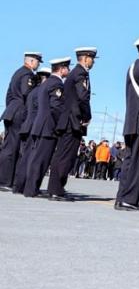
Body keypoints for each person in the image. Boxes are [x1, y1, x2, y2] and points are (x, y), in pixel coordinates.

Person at [48, 47, 96, 200]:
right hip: (72, 121)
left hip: (67, 120)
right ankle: (57, 189)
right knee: (66, 156)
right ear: (86, 58)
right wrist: (87, 116)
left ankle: (56, 188)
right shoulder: (81, 73)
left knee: (62, 154)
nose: (93, 61)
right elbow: (83, 97)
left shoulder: (74, 73)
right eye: (92, 58)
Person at [24, 57, 71, 198]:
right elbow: (56, 107)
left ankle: (31, 188)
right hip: (48, 127)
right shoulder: (56, 84)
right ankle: (31, 189)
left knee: (36, 158)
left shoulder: (47, 82)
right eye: (67, 68)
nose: (68, 70)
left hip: (40, 125)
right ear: (62, 69)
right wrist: (61, 125)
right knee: (41, 160)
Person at [0, 51, 42, 191]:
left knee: (10, 146)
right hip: (19, 112)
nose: (38, 64)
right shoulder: (26, 74)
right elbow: (27, 93)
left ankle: (6, 180)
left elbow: (8, 95)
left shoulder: (18, 72)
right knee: (12, 147)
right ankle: (5, 181)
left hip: (13, 111)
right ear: (30, 61)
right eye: (37, 61)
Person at [12, 67, 50, 194]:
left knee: (25, 157)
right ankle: (26, 186)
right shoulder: (42, 92)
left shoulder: (33, 91)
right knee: (31, 158)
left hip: (27, 126)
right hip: (34, 128)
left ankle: (19, 186)